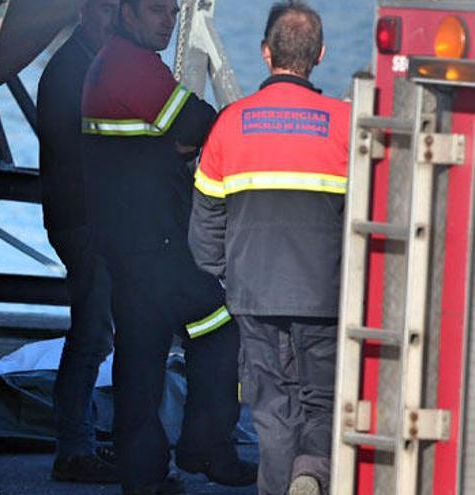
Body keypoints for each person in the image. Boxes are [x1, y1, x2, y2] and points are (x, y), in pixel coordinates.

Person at [81, 0, 256, 492]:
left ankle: (144, 477)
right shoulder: (132, 68)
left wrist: (173, 142)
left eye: (173, 14)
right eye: (156, 11)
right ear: (126, 13)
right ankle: (207, 448)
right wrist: (180, 140)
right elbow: (201, 121)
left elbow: (177, 132)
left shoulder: (114, 62)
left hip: (126, 246)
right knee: (220, 326)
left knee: (140, 357)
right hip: (156, 246)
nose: (167, 21)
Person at [188, 2, 349, 494]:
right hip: (323, 297)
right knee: (323, 403)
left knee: (271, 411)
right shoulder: (344, 125)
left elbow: (205, 225)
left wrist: (230, 272)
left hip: (253, 296)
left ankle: (282, 484)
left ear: (265, 53)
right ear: (319, 54)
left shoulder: (230, 124)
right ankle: (311, 473)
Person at [37, 0, 120, 484]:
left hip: (78, 215)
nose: (113, 22)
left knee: (94, 330)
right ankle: (74, 449)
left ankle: (81, 437)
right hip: (83, 219)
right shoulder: (74, 71)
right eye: (107, 11)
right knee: (91, 333)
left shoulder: (80, 65)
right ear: (86, 13)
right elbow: (85, 150)